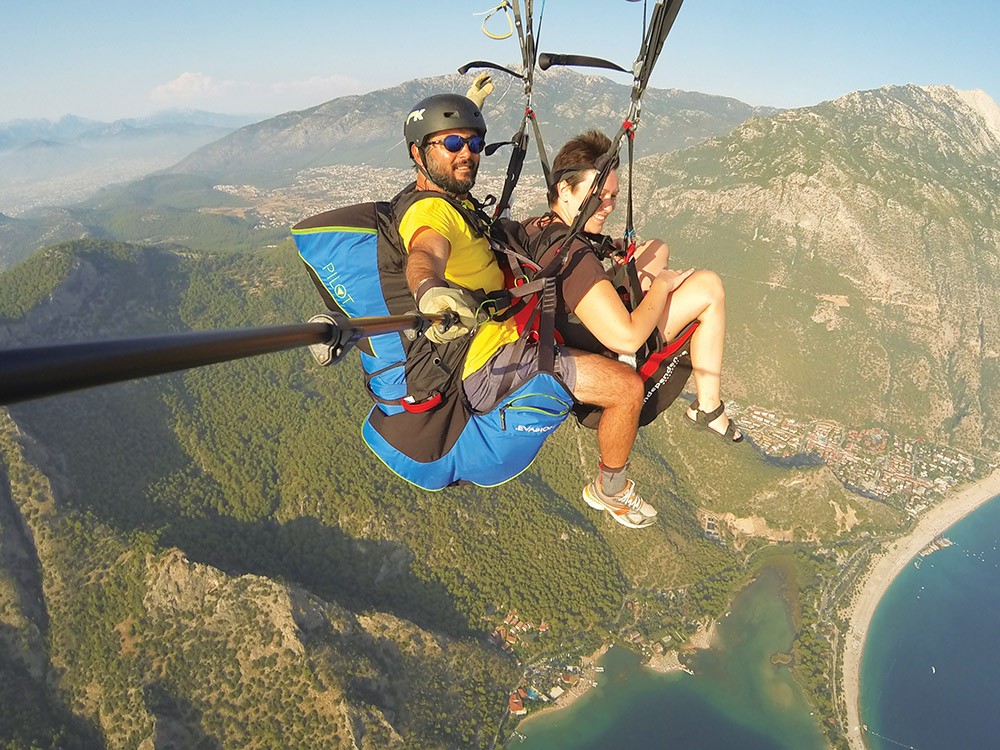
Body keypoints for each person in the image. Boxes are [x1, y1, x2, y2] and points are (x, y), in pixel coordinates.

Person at [399, 94, 659, 529]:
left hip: (508, 339)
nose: (466, 154)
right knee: (627, 389)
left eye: (474, 144)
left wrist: (462, 114)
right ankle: (611, 489)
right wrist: (429, 289)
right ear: (419, 153)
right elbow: (425, 249)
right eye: (451, 145)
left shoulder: (450, 201)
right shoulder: (430, 213)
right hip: (488, 363)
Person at [522, 129, 744, 443]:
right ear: (565, 190)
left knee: (657, 248)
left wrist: (606, 248)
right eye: (599, 195)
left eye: (613, 196)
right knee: (709, 287)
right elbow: (627, 338)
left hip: (574, 324)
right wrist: (663, 287)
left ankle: (647, 306)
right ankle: (709, 407)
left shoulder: (541, 226)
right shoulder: (576, 258)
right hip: (611, 351)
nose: (608, 205)